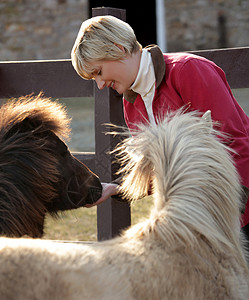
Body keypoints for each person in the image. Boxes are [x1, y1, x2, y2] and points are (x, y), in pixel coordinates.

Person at [71, 15, 249, 242]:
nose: (100, 84)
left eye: (98, 72)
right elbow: (161, 170)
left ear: (118, 48)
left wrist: (225, 215)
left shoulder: (189, 70)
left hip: (234, 213)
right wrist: (115, 188)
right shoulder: (131, 104)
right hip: (196, 223)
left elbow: (235, 143)